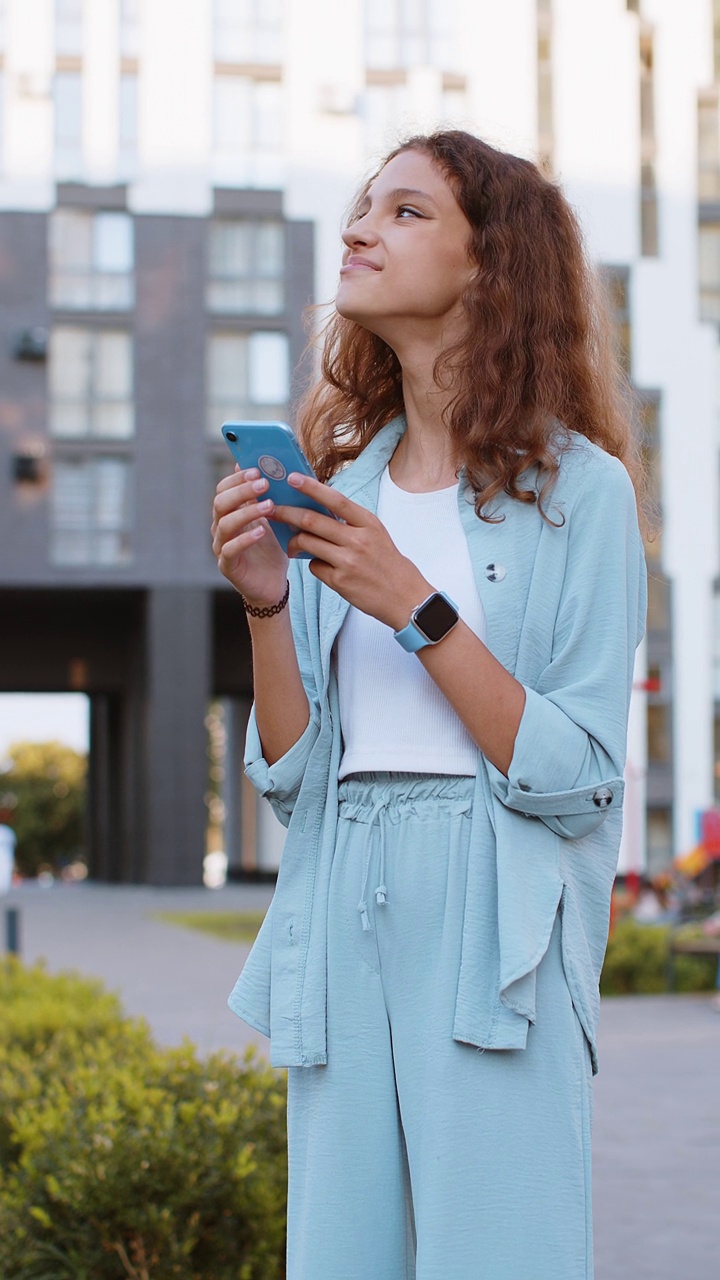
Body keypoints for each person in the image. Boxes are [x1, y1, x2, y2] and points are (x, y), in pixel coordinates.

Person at [212, 130, 647, 1280]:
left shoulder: (580, 496)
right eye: (363, 207)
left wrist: (417, 604)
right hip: (343, 882)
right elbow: (297, 782)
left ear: (490, 264)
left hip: (493, 903)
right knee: (341, 1254)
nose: (361, 229)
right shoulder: (336, 489)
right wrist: (266, 605)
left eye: (405, 212)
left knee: (500, 1249)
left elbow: (580, 768)